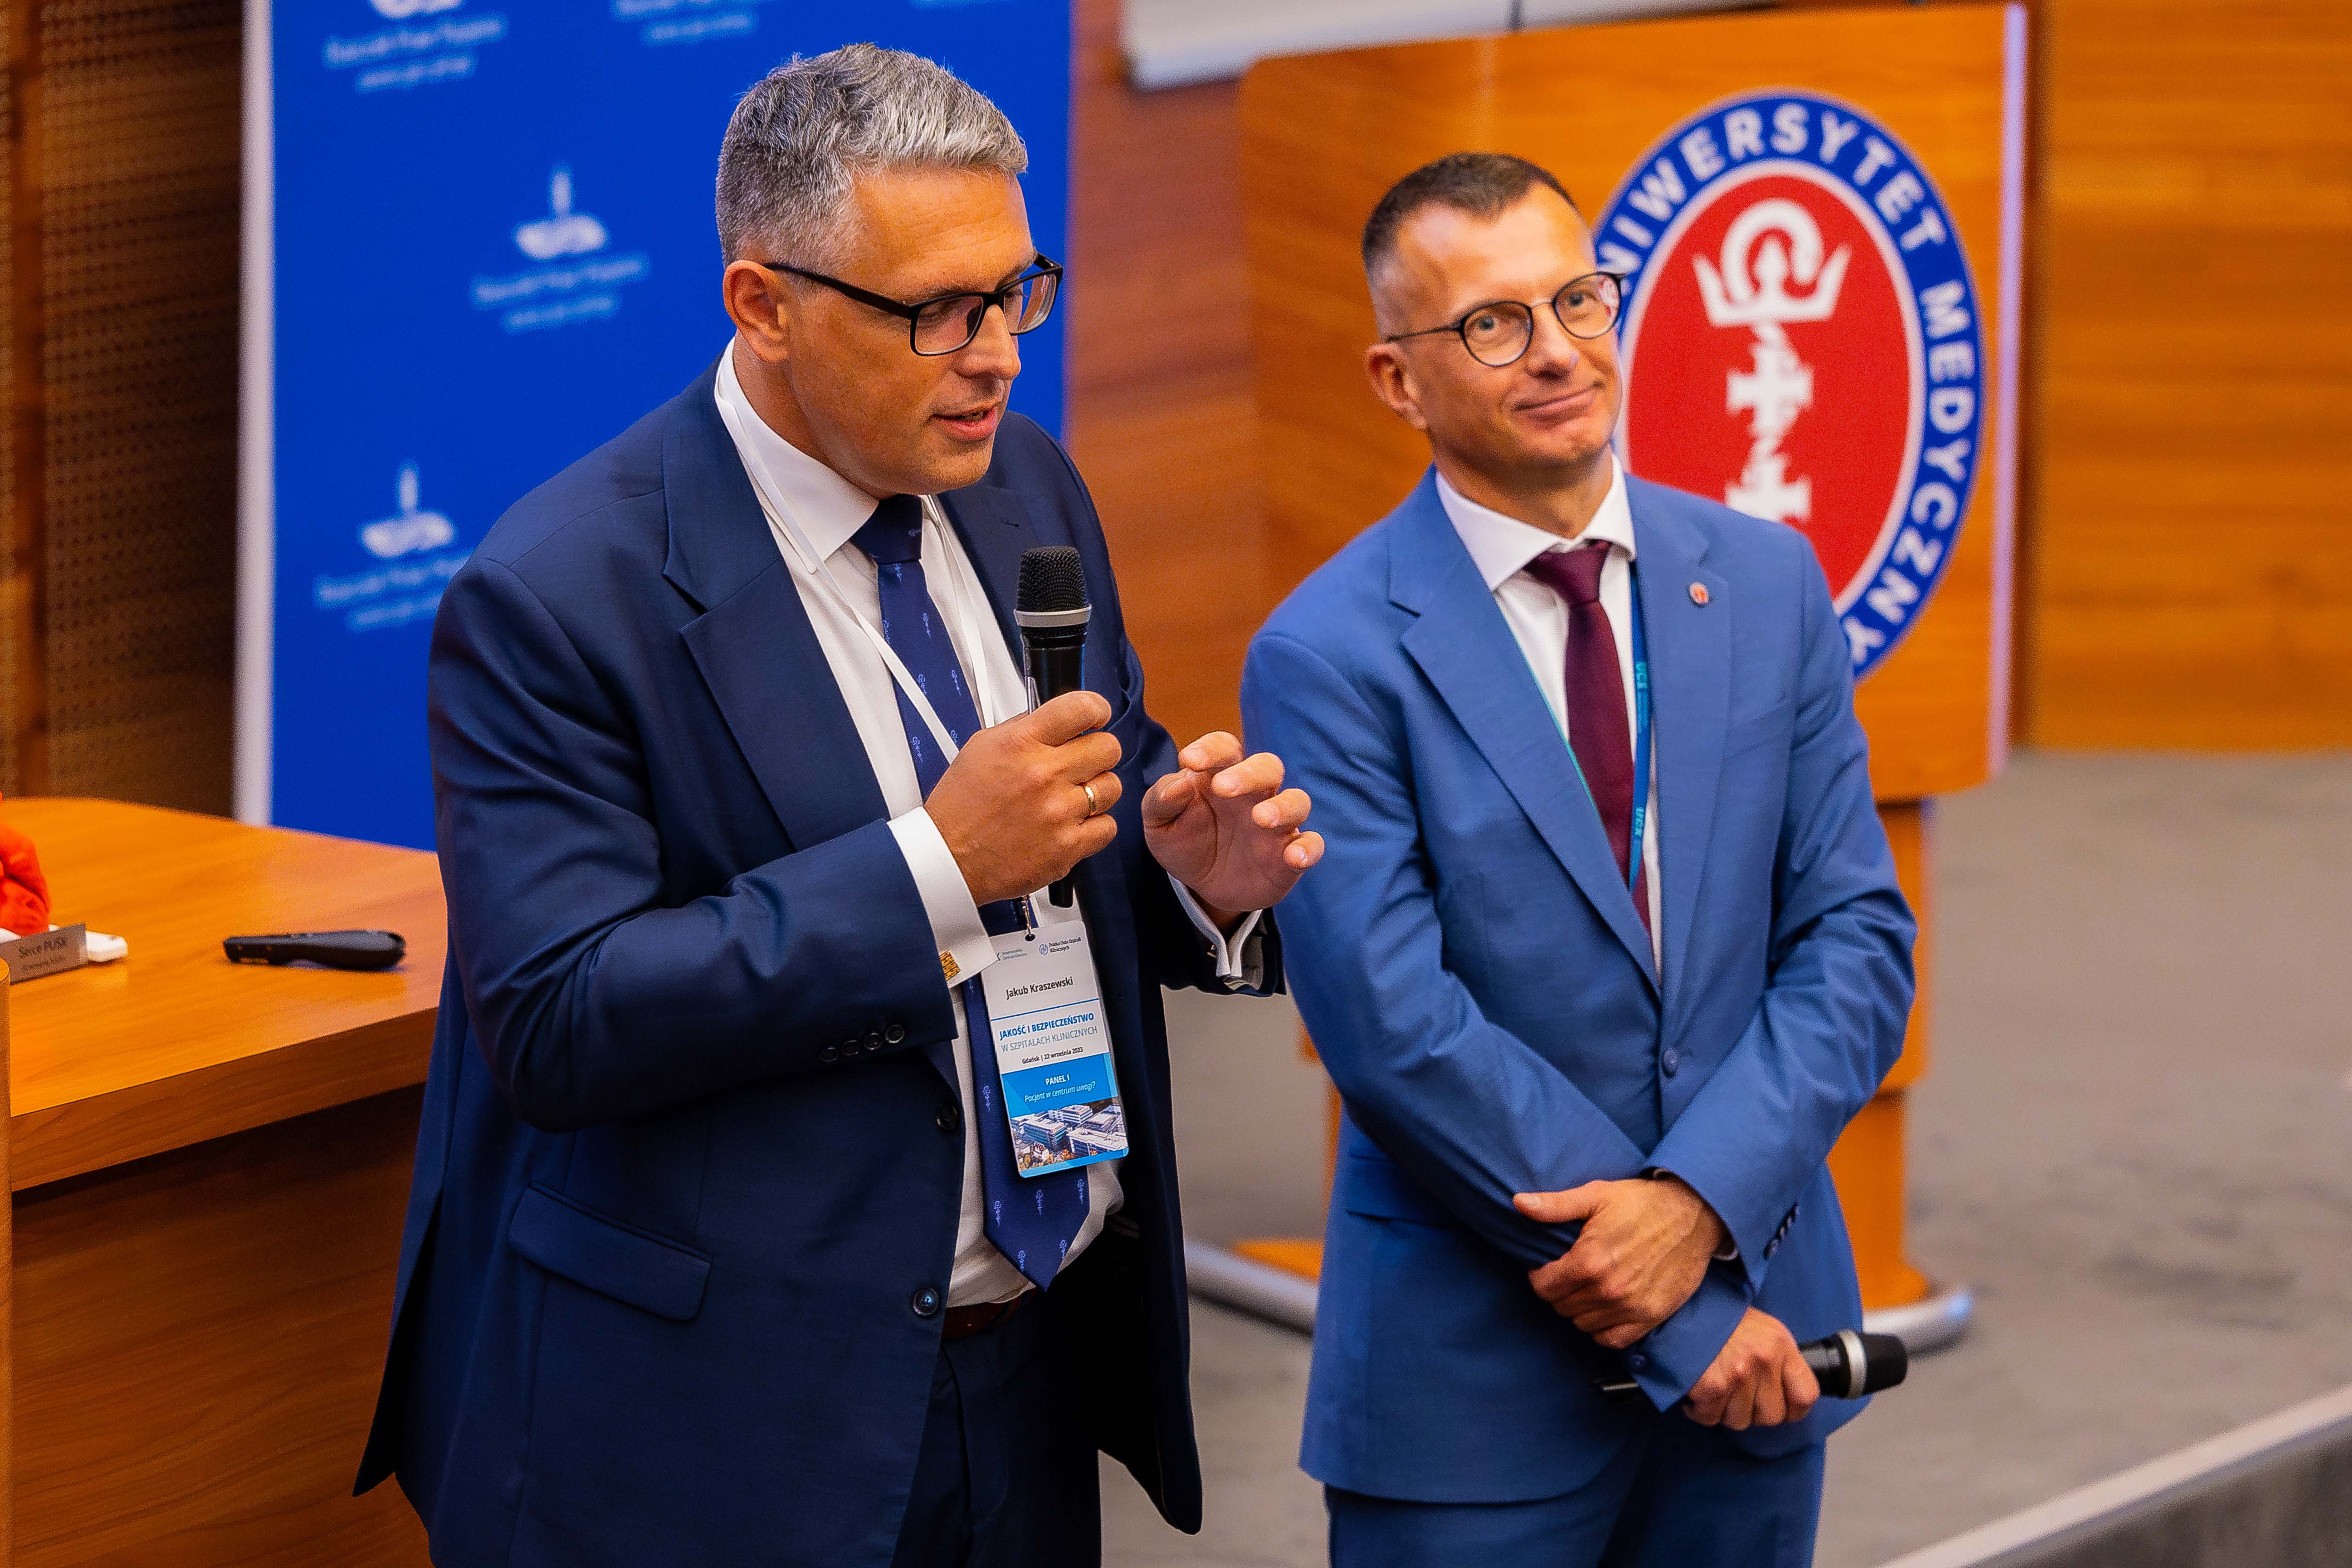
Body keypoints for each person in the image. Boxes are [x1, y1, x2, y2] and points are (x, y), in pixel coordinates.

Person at [356, 45, 1321, 1568]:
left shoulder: (1024, 487)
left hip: (1027, 1358)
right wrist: (934, 865)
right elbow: (556, 1017)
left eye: (1016, 293)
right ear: (764, 306)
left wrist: (1191, 879)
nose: (996, 356)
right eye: (938, 311)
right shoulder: (561, 595)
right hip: (725, 1426)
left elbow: (1086, 816)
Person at [1240, 152, 1915, 1566]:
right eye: (1493, 323)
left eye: (1579, 301)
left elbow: (1853, 941)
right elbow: (1392, 1030)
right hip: (1472, 1398)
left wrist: (1702, 1204)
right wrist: (1674, 1301)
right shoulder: (1326, 653)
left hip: (1760, 1354)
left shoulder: (1767, 581)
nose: (1555, 352)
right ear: (1396, 380)